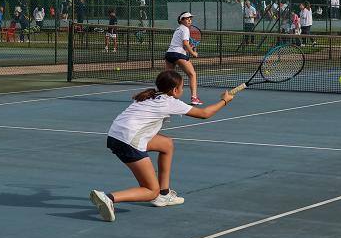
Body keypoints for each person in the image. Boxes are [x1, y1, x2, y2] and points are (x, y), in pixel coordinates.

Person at [89, 70, 234, 221]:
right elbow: (204, 113)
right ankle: (109, 198)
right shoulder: (169, 102)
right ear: (174, 90)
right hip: (128, 141)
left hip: (114, 135)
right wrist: (225, 101)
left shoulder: (148, 96)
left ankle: (164, 195)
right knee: (151, 191)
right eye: (182, 87)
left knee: (166, 144)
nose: (183, 90)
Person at [165, 12, 202, 105]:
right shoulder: (185, 29)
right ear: (181, 20)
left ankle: (164, 96)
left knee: (169, 77)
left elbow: (183, 45)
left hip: (169, 54)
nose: (189, 20)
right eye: (186, 18)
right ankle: (194, 98)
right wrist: (193, 53)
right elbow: (185, 44)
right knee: (192, 74)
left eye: (190, 18)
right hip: (178, 54)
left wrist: (190, 48)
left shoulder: (178, 29)